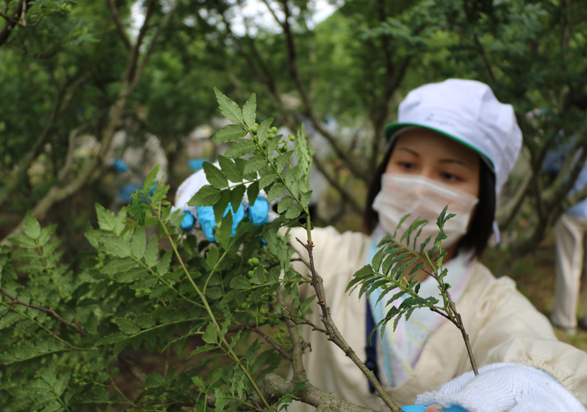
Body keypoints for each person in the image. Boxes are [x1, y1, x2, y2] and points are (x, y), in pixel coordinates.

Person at [176, 79, 587, 411]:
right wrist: (218, 200)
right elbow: (262, 250)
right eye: (407, 165)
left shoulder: (490, 304)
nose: (421, 186)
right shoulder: (330, 257)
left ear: (483, 201)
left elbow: (533, 358)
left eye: (449, 175)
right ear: (383, 171)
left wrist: (525, 385)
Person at [541, 136, 587, 334]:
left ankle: (565, 321)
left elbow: (548, 162)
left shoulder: (572, 133)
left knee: (569, 265)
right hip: (575, 208)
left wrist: (557, 174)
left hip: (573, 208)